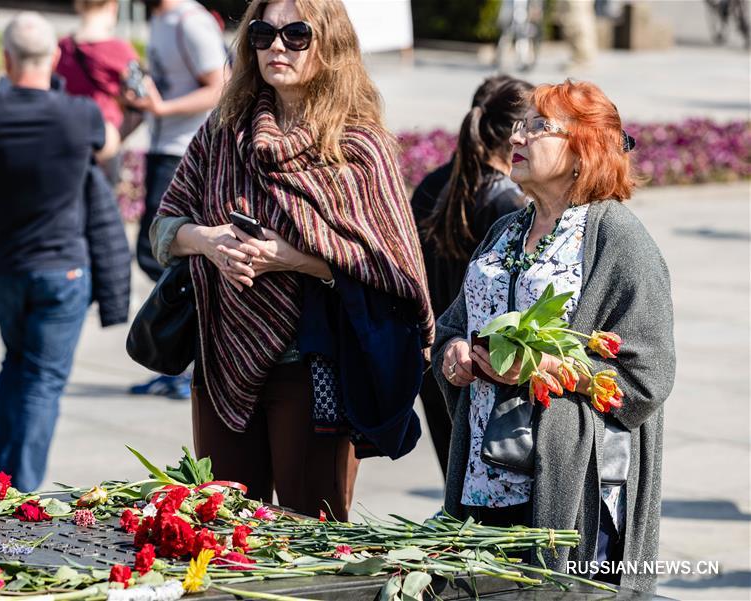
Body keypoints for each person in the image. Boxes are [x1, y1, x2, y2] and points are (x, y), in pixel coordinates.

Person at [148, 0, 434, 521]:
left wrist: (293, 258)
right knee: (222, 529)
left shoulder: (360, 147)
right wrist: (208, 241)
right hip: (221, 360)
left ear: (330, 45)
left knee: (312, 532)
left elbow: (393, 269)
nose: (277, 46)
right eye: (262, 34)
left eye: (296, 34)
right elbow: (163, 228)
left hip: (315, 366)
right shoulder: (224, 133)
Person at [432, 80, 675, 592]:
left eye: (539, 127)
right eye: (519, 126)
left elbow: (647, 378)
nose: (518, 137)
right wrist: (453, 352)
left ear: (582, 151)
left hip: (569, 485)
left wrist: (543, 369)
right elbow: (456, 321)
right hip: (485, 476)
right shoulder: (507, 231)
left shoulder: (618, 239)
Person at [0, 12, 130, 492]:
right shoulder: (79, 114)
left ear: (7, 59)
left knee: (15, 359)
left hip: (4, 268)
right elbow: (109, 144)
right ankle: (22, 491)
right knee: (44, 379)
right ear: (54, 56)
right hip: (64, 271)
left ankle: (0, 473)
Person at [411, 75, 531, 478]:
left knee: (457, 492)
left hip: (434, 361)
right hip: (481, 367)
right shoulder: (507, 204)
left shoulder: (432, 184)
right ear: (514, 133)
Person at [125, 0, 229, 399]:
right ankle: (178, 364)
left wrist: (163, 107)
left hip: (186, 149)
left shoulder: (191, 21)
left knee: (166, 257)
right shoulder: (162, 18)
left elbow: (220, 87)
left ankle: (186, 364)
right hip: (163, 146)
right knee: (154, 253)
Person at [55, 0, 139, 180]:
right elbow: (143, 100)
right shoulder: (120, 50)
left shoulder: (62, 47)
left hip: (68, 139)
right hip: (105, 138)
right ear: (112, 6)